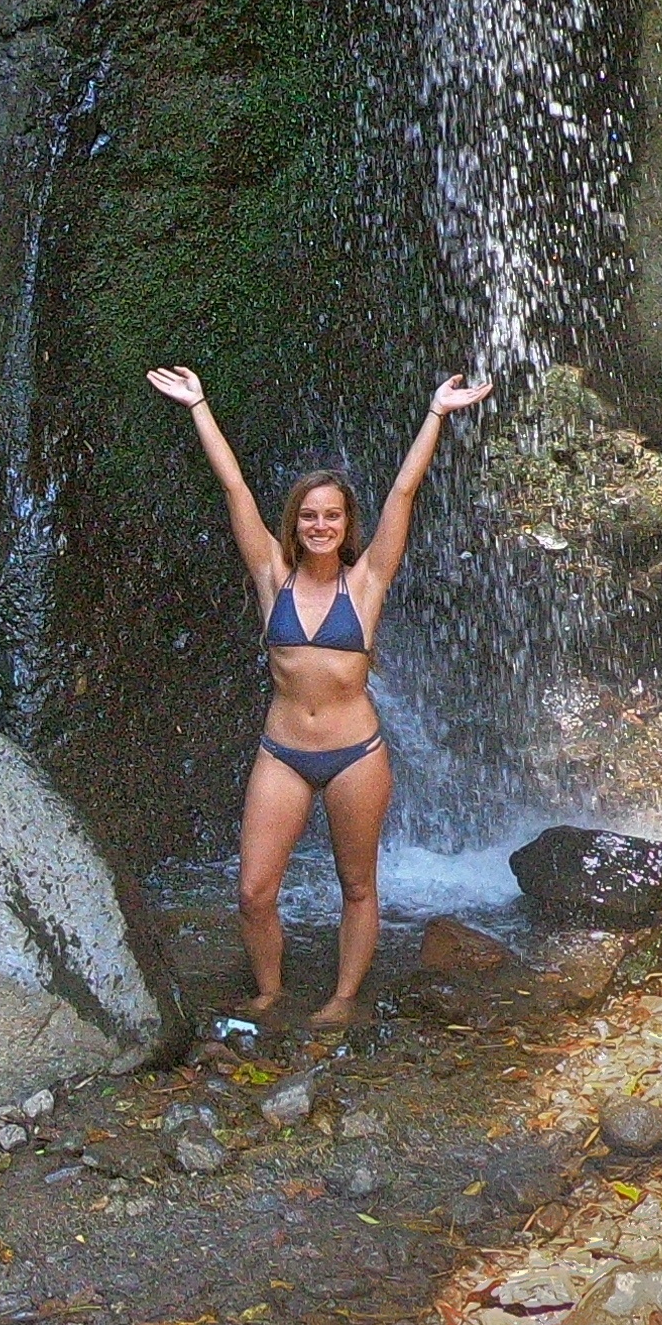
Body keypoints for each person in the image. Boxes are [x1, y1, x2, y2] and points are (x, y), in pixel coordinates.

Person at [146, 363, 496, 1027]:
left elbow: (402, 492)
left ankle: (340, 1000)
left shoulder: (367, 584)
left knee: (358, 886)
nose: (319, 525)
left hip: (354, 755)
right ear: (295, 523)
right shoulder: (271, 575)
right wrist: (199, 406)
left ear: (345, 524)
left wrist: (436, 414)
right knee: (253, 891)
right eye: (308, 515)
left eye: (331, 515)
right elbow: (235, 489)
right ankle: (271, 994)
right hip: (282, 752)